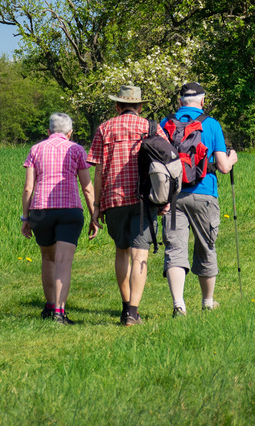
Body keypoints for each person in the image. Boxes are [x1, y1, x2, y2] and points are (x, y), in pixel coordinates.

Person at [87, 85, 168, 327]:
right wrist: (164, 200)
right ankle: (133, 312)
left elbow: (98, 172)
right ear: (140, 107)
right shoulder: (151, 127)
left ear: (117, 106)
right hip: (145, 199)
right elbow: (165, 165)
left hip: (114, 199)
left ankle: (125, 307)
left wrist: (97, 206)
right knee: (140, 254)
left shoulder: (104, 128)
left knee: (121, 251)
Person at [161, 82, 237, 317]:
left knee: (175, 248)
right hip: (204, 194)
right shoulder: (211, 124)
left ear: (180, 102)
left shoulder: (166, 123)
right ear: (202, 101)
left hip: (173, 195)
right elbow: (223, 167)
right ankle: (207, 301)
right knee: (206, 246)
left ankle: (179, 305)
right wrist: (232, 158)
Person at [20, 113, 97, 324]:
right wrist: (94, 215)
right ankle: (59, 313)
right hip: (69, 210)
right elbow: (87, 188)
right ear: (70, 133)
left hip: (41, 210)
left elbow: (28, 187)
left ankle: (50, 305)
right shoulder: (77, 150)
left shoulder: (35, 149)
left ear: (48, 131)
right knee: (64, 261)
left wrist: (25, 217)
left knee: (48, 258)